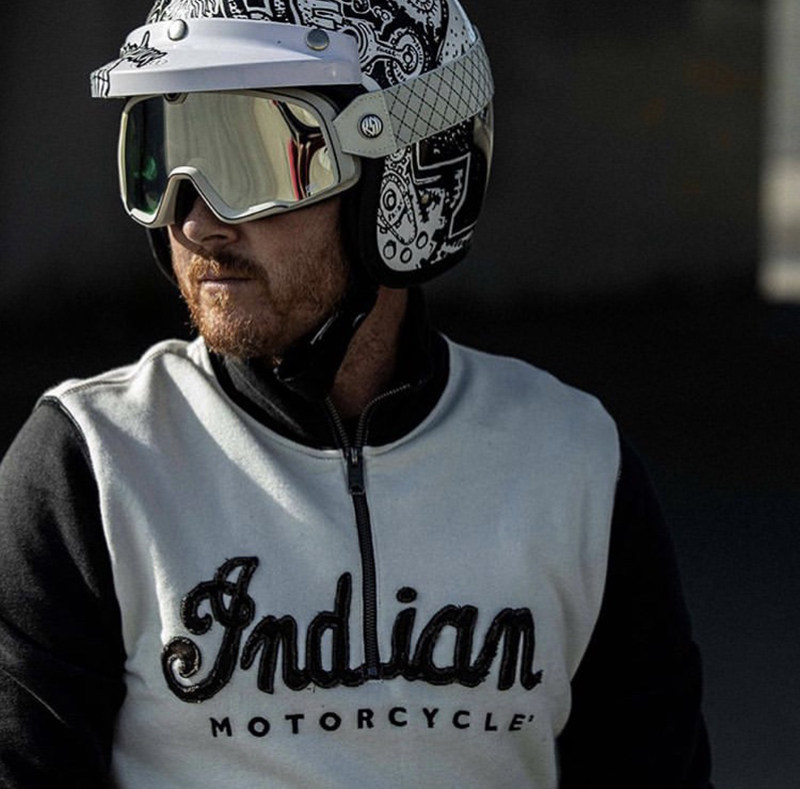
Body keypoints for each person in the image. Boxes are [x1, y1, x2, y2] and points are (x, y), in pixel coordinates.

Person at [0, 1, 712, 786]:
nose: (196, 223)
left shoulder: (575, 463)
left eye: (254, 156)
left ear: (402, 169)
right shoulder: (92, 466)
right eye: (162, 153)